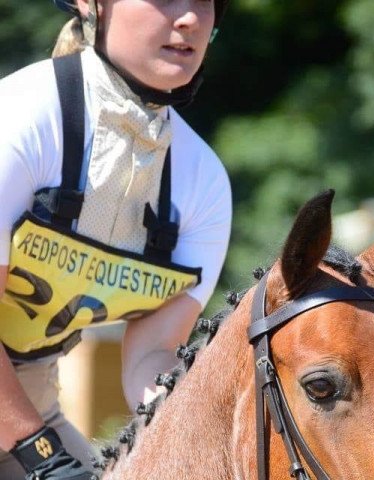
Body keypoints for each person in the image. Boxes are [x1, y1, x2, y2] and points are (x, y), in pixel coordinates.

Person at [0, 0, 232, 478]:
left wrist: (199, 432)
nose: (188, 18)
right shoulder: (20, 117)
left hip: (29, 406)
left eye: (203, 1)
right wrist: (43, 457)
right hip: (21, 426)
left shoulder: (203, 181)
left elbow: (152, 355)